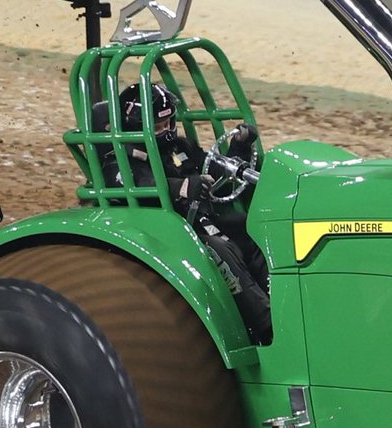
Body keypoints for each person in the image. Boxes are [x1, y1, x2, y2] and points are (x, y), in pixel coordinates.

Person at [106, 83, 272, 343]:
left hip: (204, 223)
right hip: (170, 238)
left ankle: (282, 301)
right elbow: (135, 186)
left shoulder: (180, 147)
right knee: (219, 249)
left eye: (169, 123)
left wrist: (238, 149)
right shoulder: (122, 160)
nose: (167, 131)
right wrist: (181, 187)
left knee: (249, 228)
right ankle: (266, 324)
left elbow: (212, 169)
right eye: (158, 127)